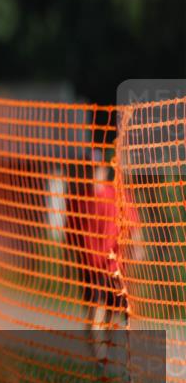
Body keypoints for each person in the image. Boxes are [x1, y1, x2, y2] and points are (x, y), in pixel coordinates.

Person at [65, 150, 142, 361]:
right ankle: (99, 360)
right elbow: (69, 237)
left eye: (95, 168)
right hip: (89, 269)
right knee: (93, 316)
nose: (92, 173)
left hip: (114, 269)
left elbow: (134, 228)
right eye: (88, 168)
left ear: (103, 169)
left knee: (111, 316)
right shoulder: (77, 199)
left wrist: (135, 253)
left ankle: (106, 358)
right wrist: (66, 265)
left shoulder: (116, 195)